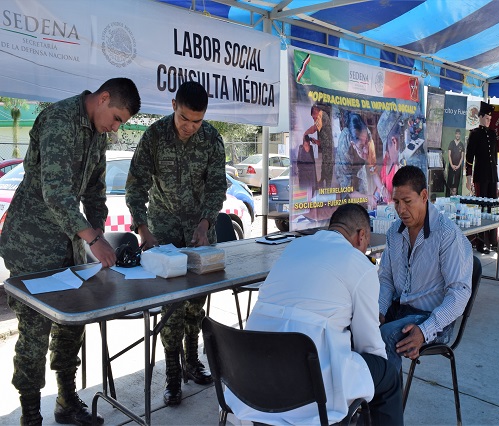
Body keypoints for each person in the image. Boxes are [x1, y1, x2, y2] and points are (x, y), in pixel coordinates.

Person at [0, 78, 141, 426]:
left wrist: (97, 231)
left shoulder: (97, 133)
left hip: (68, 244)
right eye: (117, 118)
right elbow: (57, 193)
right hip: (31, 242)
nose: (116, 127)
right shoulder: (60, 120)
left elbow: (95, 191)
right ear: (103, 98)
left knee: (71, 326)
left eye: (121, 122)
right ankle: (31, 415)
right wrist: (93, 239)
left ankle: (66, 401)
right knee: (35, 331)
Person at [226, 203, 403, 425]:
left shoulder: (294, 248)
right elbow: (369, 345)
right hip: (309, 393)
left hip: (251, 383)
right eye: (366, 244)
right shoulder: (359, 263)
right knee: (387, 375)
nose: (365, 249)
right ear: (362, 236)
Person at [125, 81, 226, 406]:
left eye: (197, 121)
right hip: (164, 234)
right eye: (185, 119)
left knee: (195, 305)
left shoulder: (211, 139)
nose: (190, 127)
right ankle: (171, 377)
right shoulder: (154, 136)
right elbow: (136, 186)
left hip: (199, 234)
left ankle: (191, 362)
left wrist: (205, 222)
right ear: (173, 106)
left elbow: (216, 188)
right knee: (171, 310)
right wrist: (143, 229)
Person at [378, 165, 472, 373]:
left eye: (407, 202)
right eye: (396, 202)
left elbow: (459, 293)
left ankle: (387, 405)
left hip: (433, 317)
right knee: (356, 327)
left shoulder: (447, 234)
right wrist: (379, 311)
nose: (401, 209)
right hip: (400, 308)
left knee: (386, 337)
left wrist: (425, 330)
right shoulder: (395, 232)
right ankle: (364, 396)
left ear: (423, 196)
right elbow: (385, 278)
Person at [465, 101, 499, 254]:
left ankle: (493, 241)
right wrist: (468, 178)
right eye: (486, 117)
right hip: (480, 176)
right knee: (481, 208)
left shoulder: (493, 134)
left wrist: (498, 183)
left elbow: (495, 159)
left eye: (490, 118)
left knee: (493, 209)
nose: (489, 120)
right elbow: (469, 159)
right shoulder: (474, 134)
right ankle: (480, 242)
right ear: (480, 117)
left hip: (492, 176)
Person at [335, 111, 370, 200]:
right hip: (345, 170)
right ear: (353, 144)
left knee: (364, 194)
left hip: (359, 165)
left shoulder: (366, 134)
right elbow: (348, 190)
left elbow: (373, 167)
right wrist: (367, 198)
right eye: (362, 146)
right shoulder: (344, 148)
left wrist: (366, 197)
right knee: (348, 201)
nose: (366, 150)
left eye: (366, 143)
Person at [304, 104, 334, 187]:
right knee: (324, 166)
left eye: (314, 118)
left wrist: (306, 133)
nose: (314, 120)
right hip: (325, 147)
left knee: (328, 167)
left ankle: (328, 187)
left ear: (316, 111)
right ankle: (321, 182)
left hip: (328, 148)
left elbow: (314, 128)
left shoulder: (322, 115)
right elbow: (324, 139)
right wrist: (316, 141)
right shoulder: (321, 119)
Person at [446, 129, 465, 196]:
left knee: (457, 182)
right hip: (451, 166)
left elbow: (462, 157)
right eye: (456, 134)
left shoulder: (461, 145)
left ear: (460, 135)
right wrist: (451, 165)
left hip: (458, 167)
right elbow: (449, 155)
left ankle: (456, 197)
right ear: (455, 134)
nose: (457, 135)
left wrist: (458, 166)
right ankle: (447, 196)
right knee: (449, 181)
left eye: (459, 134)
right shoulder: (451, 143)